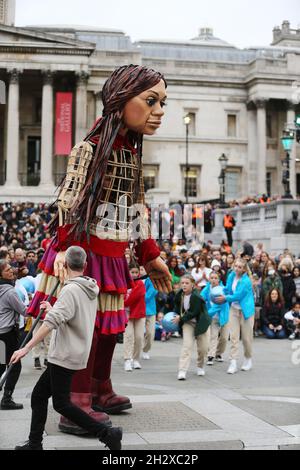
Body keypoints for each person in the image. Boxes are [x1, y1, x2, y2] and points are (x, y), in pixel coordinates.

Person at [27, 65, 172, 434]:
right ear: (121, 101)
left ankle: (99, 388)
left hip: (112, 253)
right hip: (84, 252)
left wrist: (150, 254)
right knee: (84, 328)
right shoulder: (87, 149)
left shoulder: (131, 155)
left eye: (162, 103)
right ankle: (74, 400)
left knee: (108, 329)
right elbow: (69, 202)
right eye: (151, 101)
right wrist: (64, 248)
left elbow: (136, 208)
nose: (159, 111)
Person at [11, 246, 122, 450]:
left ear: (65, 264)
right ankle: (35, 443)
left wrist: (25, 348)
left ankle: (107, 434)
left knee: (62, 404)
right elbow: (72, 316)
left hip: (64, 353)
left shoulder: (70, 290)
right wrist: (53, 308)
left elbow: (50, 323)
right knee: (39, 396)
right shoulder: (89, 287)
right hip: (73, 351)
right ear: (85, 265)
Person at [215, 258, 255, 375]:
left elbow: (238, 296)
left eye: (239, 267)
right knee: (233, 337)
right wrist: (218, 291)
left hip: (246, 311)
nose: (237, 269)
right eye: (235, 266)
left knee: (247, 339)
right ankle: (233, 362)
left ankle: (248, 359)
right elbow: (227, 289)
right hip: (234, 310)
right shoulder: (231, 275)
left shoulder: (246, 281)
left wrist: (225, 298)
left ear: (244, 269)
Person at [173, 274, 211, 380]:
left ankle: (200, 366)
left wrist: (180, 318)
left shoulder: (196, 296)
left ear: (192, 284)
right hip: (188, 323)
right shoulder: (179, 294)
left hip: (201, 323)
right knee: (187, 346)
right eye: (182, 283)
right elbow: (176, 306)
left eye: (187, 283)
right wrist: (176, 315)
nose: (184, 285)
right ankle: (182, 370)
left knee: (203, 349)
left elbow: (193, 312)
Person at [0, 260, 26, 410]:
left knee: (1, 365)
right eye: (8, 270)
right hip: (7, 334)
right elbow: (25, 311)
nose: (12, 271)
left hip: (2, 332)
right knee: (14, 365)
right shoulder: (9, 291)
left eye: (11, 269)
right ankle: (7, 398)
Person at [201, 271, 229, 366]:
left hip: (224, 315)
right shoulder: (206, 289)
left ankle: (218, 353)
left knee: (224, 338)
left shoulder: (223, 289)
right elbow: (201, 299)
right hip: (213, 317)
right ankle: (210, 355)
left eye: (215, 278)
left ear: (219, 279)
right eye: (211, 278)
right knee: (213, 336)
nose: (213, 280)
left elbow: (225, 302)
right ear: (209, 279)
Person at [124, 264, 146, 371]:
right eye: (132, 272)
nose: (134, 275)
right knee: (128, 336)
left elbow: (133, 297)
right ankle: (128, 359)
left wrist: (123, 302)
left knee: (139, 337)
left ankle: (136, 359)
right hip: (126, 314)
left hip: (139, 314)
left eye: (136, 272)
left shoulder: (140, 283)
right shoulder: (123, 282)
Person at [142, 273, 158, 360]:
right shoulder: (134, 278)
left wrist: (138, 296)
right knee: (137, 334)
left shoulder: (152, 279)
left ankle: (146, 349)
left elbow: (152, 292)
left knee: (150, 333)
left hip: (150, 310)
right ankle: (132, 352)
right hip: (137, 309)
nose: (141, 271)